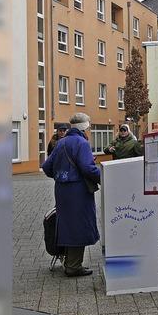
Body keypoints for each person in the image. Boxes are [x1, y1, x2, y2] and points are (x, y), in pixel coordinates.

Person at [41, 113, 100, 277]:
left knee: (66, 224)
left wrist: (61, 175)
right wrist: (103, 177)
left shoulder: (61, 142)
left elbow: (46, 167)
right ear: (85, 126)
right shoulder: (82, 142)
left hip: (61, 190)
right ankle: (73, 266)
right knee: (78, 226)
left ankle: (67, 260)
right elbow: (88, 168)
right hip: (78, 191)